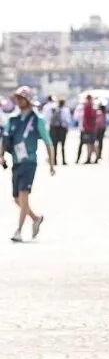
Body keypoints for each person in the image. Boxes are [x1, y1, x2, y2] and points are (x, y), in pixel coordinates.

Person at [0, 86, 56, 242]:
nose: (19, 101)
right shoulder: (13, 119)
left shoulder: (37, 119)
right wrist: (1, 155)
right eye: (17, 98)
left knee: (24, 195)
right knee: (17, 199)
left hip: (29, 162)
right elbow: (5, 139)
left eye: (22, 98)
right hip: (16, 162)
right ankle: (35, 218)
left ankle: (18, 230)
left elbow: (48, 142)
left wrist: (52, 163)